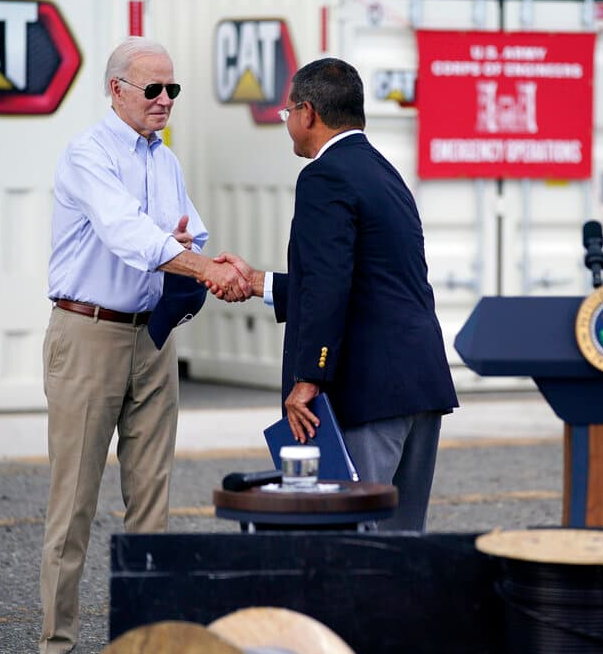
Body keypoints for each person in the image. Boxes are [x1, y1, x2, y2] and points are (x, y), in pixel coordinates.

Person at [40, 37, 249, 654]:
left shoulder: (166, 161)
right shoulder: (88, 155)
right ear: (116, 90)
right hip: (89, 335)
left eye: (172, 89)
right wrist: (199, 264)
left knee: (153, 506)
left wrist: (188, 251)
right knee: (73, 506)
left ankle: (144, 643)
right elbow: (127, 233)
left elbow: (190, 232)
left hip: (152, 338)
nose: (165, 100)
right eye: (153, 89)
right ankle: (57, 644)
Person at [212, 57, 458, 531]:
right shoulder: (382, 171)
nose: (288, 123)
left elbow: (329, 286)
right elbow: (367, 281)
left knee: (352, 537)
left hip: (368, 391)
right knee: (403, 539)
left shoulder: (324, 176)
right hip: (418, 382)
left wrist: (310, 377)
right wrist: (259, 282)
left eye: (287, 113)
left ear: (308, 112)